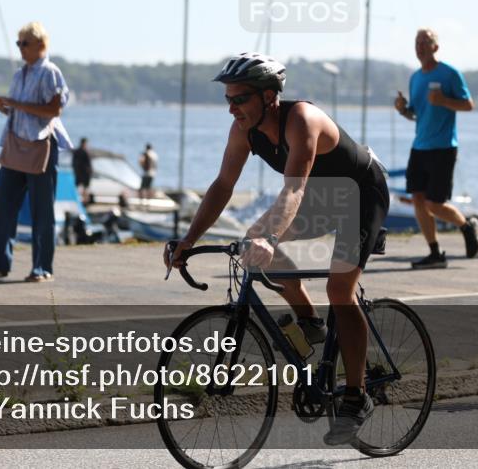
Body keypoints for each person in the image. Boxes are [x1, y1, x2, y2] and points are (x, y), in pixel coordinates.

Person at [164, 53, 390, 445]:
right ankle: (311, 321)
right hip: (321, 199)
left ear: (269, 96)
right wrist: (189, 240)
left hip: (359, 195)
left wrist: (270, 240)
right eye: (228, 100)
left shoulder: (301, 120)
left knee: (339, 289)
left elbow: (294, 189)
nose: (232, 108)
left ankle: (357, 396)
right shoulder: (244, 130)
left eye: (240, 99)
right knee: (252, 236)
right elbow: (222, 186)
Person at [0, 21, 72, 282]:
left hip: (41, 146)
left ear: (41, 44)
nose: (20, 48)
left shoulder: (49, 72)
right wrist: (4, 106)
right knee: (1, 204)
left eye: (24, 43)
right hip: (16, 146)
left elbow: (53, 110)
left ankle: (42, 267)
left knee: (42, 211)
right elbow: (22, 111)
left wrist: (16, 103)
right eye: (18, 43)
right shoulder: (20, 74)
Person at [394, 28, 478, 269]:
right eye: (417, 42)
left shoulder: (450, 74)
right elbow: (417, 115)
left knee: (434, 203)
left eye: (425, 42)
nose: (420, 46)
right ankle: (434, 252)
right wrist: (403, 109)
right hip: (419, 146)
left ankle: (466, 225)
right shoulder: (415, 78)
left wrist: (443, 101)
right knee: (417, 200)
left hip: (443, 147)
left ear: (435, 47)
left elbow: (468, 105)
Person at [72, 137, 93, 203]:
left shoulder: (77, 151)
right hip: (84, 173)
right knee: (84, 188)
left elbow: (73, 163)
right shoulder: (85, 152)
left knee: (81, 188)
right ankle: (84, 201)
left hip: (79, 173)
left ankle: (81, 200)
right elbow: (88, 164)